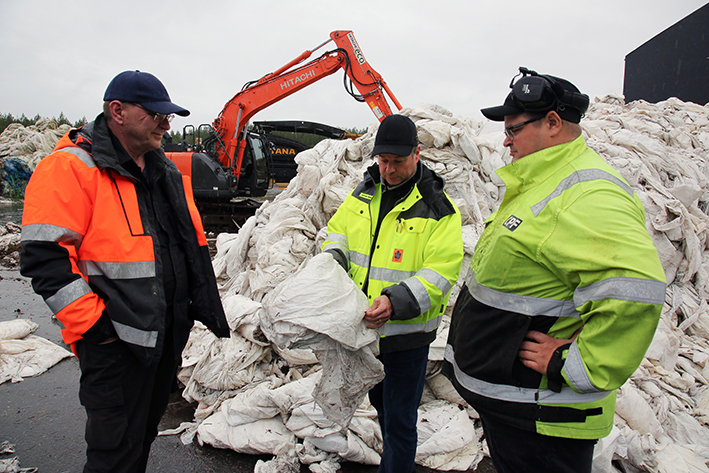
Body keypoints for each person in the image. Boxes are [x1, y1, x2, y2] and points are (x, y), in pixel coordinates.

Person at [442, 67, 667, 473]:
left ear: (552, 123)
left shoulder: (587, 193)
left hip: (543, 418)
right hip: (519, 410)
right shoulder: (544, 180)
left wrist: (575, 364)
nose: (505, 141)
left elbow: (636, 290)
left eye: (513, 130)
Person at [20, 70, 230, 472]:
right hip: (114, 344)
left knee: (139, 442)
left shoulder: (164, 170)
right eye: (156, 114)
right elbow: (45, 260)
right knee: (113, 453)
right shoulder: (71, 169)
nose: (167, 124)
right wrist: (96, 332)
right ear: (117, 111)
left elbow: (186, 249)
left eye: (169, 117)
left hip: (162, 340)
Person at [322, 114, 464, 473]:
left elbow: (441, 271)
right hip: (365, 334)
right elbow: (337, 234)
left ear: (417, 154)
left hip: (406, 338)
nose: (388, 169)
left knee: (400, 421)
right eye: (383, 161)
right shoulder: (363, 193)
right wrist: (331, 264)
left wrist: (395, 301)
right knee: (383, 409)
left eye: (397, 162)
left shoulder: (437, 208)